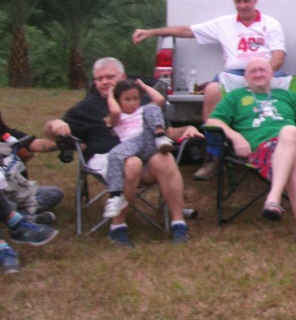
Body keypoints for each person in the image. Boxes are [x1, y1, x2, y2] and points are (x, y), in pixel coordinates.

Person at [132, 0, 286, 179]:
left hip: (265, 72)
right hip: (235, 75)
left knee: (293, 91)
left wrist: (260, 75)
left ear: (256, 0)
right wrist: (151, 32)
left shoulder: (271, 24)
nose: (242, 6)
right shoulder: (224, 23)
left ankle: (288, 149)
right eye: (238, 1)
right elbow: (187, 31)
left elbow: (278, 58)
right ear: (233, 1)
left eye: (246, 1)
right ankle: (213, 155)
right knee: (212, 90)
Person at [44, 57, 201, 247]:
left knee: (165, 158)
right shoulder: (86, 108)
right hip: (107, 159)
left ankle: (178, 224)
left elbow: (166, 132)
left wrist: (187, 129)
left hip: (143, 153)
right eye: (99, 78)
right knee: (132, 162)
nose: (104, 82)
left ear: (124, 77)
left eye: (110, 77)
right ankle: (117, 227)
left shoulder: (140, 100)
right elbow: (51, 132)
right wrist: (55, 124)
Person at [205, 58, 296, 251]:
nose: (258, 74)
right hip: (259, 150)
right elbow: (212, 121)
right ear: (246, 77)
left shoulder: (287, 95)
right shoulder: (236, 96)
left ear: (271, 74)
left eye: (262, 70)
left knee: (290, 131)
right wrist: (235, 136)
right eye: (253, 71)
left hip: (289, 141)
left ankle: (273, 198)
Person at [101, 79, 176, 219]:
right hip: (131, 147)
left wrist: (143, 86)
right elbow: (115, 110)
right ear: (118, 100)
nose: (132, 103)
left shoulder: (142, 111)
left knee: (152, 107)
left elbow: (160, 99)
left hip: (150, 140)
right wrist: (110, 95)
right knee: (114, 155)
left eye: (136, 98)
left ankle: (160, 136)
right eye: (127, 99)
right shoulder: (117, 117)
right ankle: (115, 197)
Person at [0, 108, 63, 221]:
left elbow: (34, 144)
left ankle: (20, 214)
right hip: (3, 194)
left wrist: (64, 144)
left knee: (54, 193)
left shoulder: (7, 135)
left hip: (18, 188)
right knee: (6, 203)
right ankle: (24, 217)